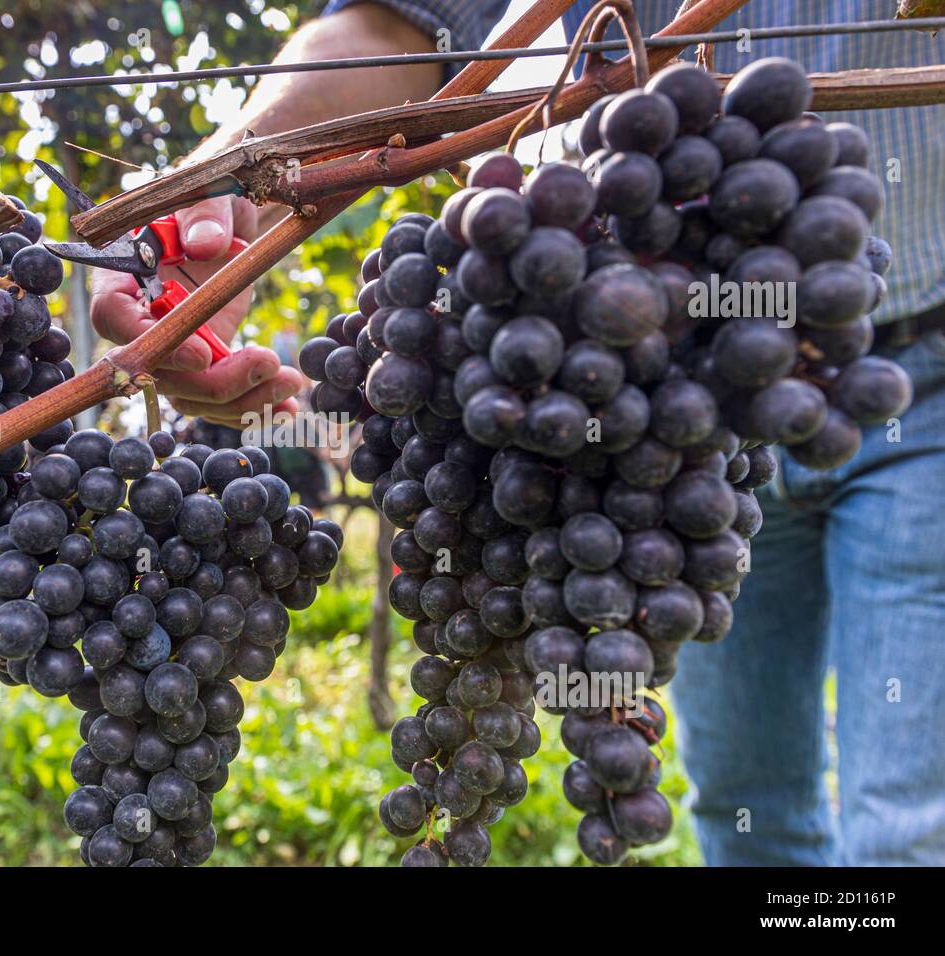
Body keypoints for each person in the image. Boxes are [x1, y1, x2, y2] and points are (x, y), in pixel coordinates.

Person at [87, 1, 945, 865]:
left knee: (907, 821)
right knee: (745, 798)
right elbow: (395, 26)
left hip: (897, 383)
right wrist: (232, 179)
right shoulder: (545, 308)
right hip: (686, 436)